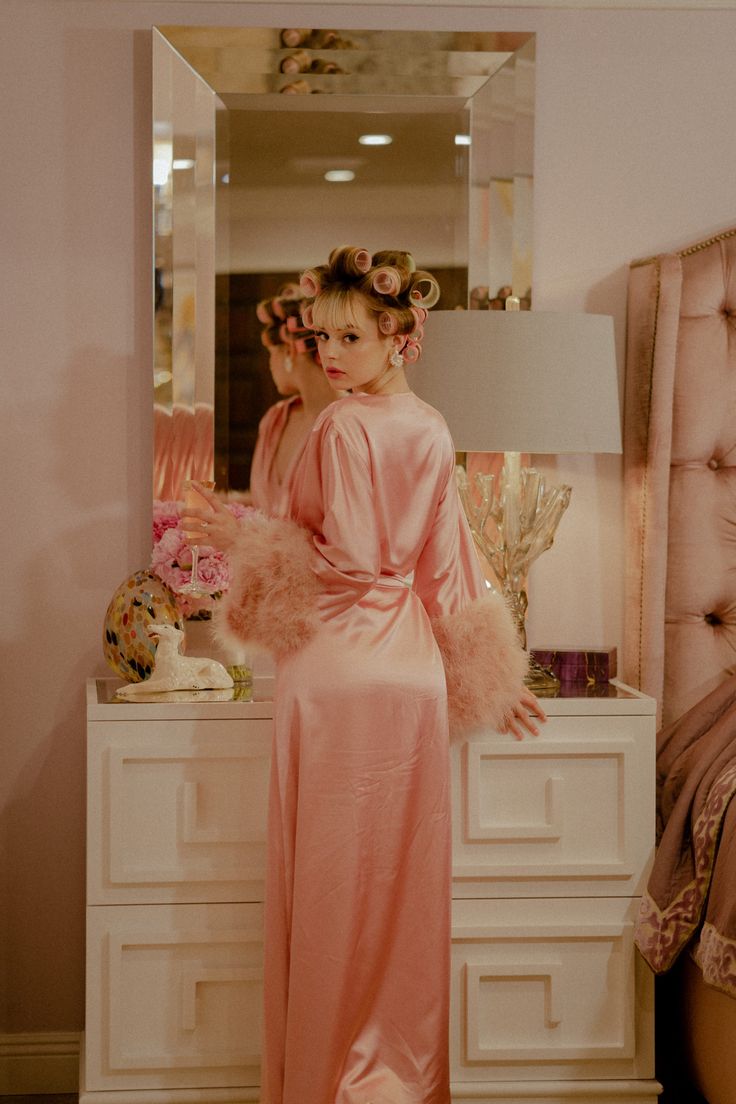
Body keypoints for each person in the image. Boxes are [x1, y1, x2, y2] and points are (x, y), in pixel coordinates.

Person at [184, 246, 545, 1104]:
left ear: (398, 337)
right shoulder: (434, 429)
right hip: (410, 671)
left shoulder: (339, 427)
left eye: (351, 336)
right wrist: (501, 679)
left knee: (327, 886)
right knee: (402, 886)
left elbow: (327, 556)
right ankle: (396, 1079)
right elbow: (451, 570)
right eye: (323, 336)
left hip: (335, 671)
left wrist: (241, 539)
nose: (331, 354)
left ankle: (318, 1078)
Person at [250, 288, 338, 516]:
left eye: (271, 353)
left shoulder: (347, 424)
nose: (270, 364)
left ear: (289, 350)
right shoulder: (275, 419)